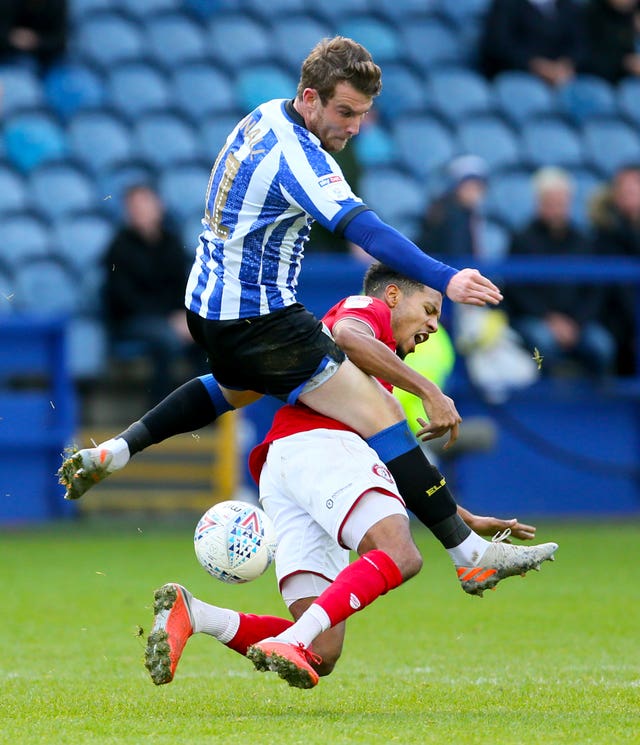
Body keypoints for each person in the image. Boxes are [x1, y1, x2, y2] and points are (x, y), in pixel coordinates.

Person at [61, 37, 512, 602]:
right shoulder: (301, 156)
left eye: (362, 116)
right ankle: (468, 556)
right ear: (310, 99)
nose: (351, 127)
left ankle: (117, 450)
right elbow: (366, 231)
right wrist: (446, 278)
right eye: (344, 112)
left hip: (208, 309)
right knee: (383, 410)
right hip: (260, 315)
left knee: (235, 387)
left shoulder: (263, 116)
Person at [144, 264, 556, 689]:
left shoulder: (376, 372)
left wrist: (457, 515)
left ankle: (196, 614)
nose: (435, 324)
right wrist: (430, 391)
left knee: (321, 652)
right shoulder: (368, 311)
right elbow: (348, 332)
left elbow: (398, 465)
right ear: (393, 296)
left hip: (288, 469)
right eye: (430, 309)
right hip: (322, 450)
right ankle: (295, 640)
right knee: (400, 554)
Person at [503, 167, 615, 378]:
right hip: (535, 320)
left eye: (560, 201)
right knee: (541, 346)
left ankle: (599, 402)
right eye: (549, 201)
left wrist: (576, 323)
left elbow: (594, 290)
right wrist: (549, 319)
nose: (555, 208)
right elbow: (516, 290)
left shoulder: (584, 241)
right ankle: (545, 399)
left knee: (602, 345)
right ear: (539, 202)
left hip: (577, 323)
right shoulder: (522, 239)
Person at [103, 184, 205, 404]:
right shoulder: (119, 248)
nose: (140, 211)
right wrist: (169, 319)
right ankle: (160, 409)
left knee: (205, 335)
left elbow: (181, 286)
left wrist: (182, 316)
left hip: (169, 318)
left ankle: (206, 407)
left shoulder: (172, 242)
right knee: (166, 341)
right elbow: (123, 298)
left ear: (159, 206)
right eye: (134, 206)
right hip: (132, 321)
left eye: (145, 204)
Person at [589, 163, 640, 375]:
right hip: (615, 320)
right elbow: (617, 290)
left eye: (634, 186)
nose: (628, 192)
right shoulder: (605, 233)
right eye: (622, 187)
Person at [479, 0, 585, 86]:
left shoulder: (570, 7)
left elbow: (579, 45)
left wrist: (565, 64)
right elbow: (498, 45)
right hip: (518, 75)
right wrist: (538, 66)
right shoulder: (506, 4)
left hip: (562, 77)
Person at [416, 155, 489, 260]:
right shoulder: (453, 215)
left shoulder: (468, 213)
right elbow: (457, 257)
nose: (474, 194)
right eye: (469, 187)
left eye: (478, 188)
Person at [581, 0, 640, 83]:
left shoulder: (634, 13)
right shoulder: (592, 13)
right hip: (603, 80)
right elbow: (588, 59)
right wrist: (625, 63)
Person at [0, 0, 68, 71]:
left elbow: (60, 41)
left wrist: (37, 42)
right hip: (10, 60)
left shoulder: (57, 3)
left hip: (48, 61)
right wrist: (12, 38)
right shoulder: (7, 3)